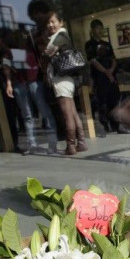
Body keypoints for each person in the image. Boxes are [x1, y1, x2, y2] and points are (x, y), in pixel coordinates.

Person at [43, 10, 87, 155]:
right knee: (73, 113)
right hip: (67, 79)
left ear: (60, 22)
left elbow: (48, 52)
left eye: (53, 21)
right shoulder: (61, 35)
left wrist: (45, 52)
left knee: (67, 115)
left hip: (61, 79)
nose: (50, 25)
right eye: (48, 22)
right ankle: (81, 142)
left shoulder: (60, 35)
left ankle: (70, 146)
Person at [12, 36, 59, 154]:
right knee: (29, 115)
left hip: (35, 82)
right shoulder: (20, 52)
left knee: (44, 112)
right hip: (24, 83)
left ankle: (52, 143)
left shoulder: (35, 50)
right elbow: (15, 68)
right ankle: (32, 144)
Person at [85, 19, 128, 134]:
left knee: (115, 99)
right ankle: (105, 124)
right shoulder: (89, 45)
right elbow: (93, 61)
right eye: (97, 29)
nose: (99, 31)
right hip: (100, 76)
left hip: (111, 76)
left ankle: (118, 124)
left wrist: (112, 70)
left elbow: (113, 59)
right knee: (102, 101)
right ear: (92, 30)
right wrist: (106, 72)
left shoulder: (107, 44)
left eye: (101, 29)